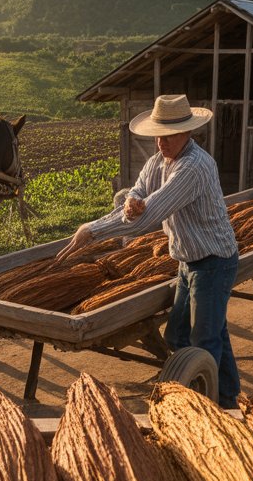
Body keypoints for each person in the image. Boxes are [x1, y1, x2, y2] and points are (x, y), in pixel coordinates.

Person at [57, 93, 241, 408]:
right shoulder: (160, 159)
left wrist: (94, 230)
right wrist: (131, 199)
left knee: (204, 341)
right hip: (188, 261)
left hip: (214, 262)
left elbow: (150, 216)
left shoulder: (193, 167)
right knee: (182, 335)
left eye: (168, 135)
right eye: (158, 133)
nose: (161, 141)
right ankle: (228, 392)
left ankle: (211, 406)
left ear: (188, 132)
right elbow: (140, 192)